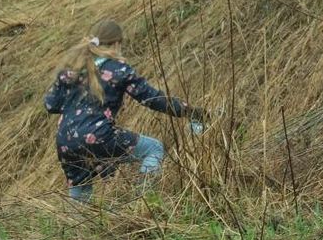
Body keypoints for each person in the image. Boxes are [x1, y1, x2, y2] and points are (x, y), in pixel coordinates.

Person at [44, 18, 205, 202]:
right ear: (117, 43)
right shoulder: (118, 70)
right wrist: (189, 111)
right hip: (98, 135)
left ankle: (75, 228)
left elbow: (51, 105)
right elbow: (151, 99)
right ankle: (143, 204)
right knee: (154, 148)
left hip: (65, 142)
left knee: (80, 193)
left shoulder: (72, 71)